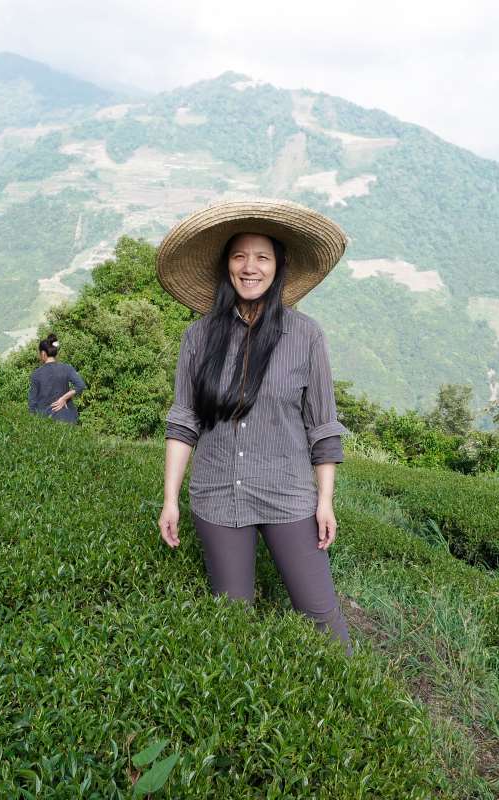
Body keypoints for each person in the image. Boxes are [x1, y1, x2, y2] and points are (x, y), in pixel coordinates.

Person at [156, 198, 353, 655]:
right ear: (226, 265)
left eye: (262, 257)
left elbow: (323, 426)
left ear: (278, 266)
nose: (250, 267)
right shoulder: (198, 337)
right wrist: (170, 500)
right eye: (239, 256)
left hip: (288, 495)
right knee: (232, 620)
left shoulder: (305, 335)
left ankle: (356, 693)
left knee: (322, 617)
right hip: (218, 493)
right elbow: (184, 421)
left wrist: (325, 502)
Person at [27, 332, 86, 424]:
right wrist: (64, 398)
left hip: (46, 422)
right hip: (68, 420)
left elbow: (32, 403)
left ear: (43, 354)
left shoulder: (36, 374)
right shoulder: (67, 368)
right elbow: (81, 385)